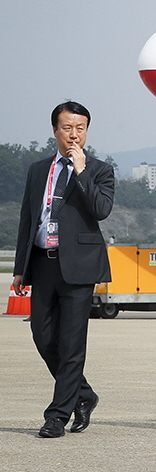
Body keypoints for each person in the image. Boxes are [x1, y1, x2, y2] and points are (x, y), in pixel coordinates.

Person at [13, 101, 114, 438]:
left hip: (80, 268)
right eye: (67, 127)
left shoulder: (99, 170)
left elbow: (101, 210)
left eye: (80, 128)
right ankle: (83, 395)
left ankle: (57, 415)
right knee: (42, 336)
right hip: (42, 263)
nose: (74, 134)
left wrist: (81, 171)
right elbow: (28, 219)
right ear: (55, 130)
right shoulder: (38, 169)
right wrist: (19, 268)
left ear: (87, 131)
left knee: (71, 343)